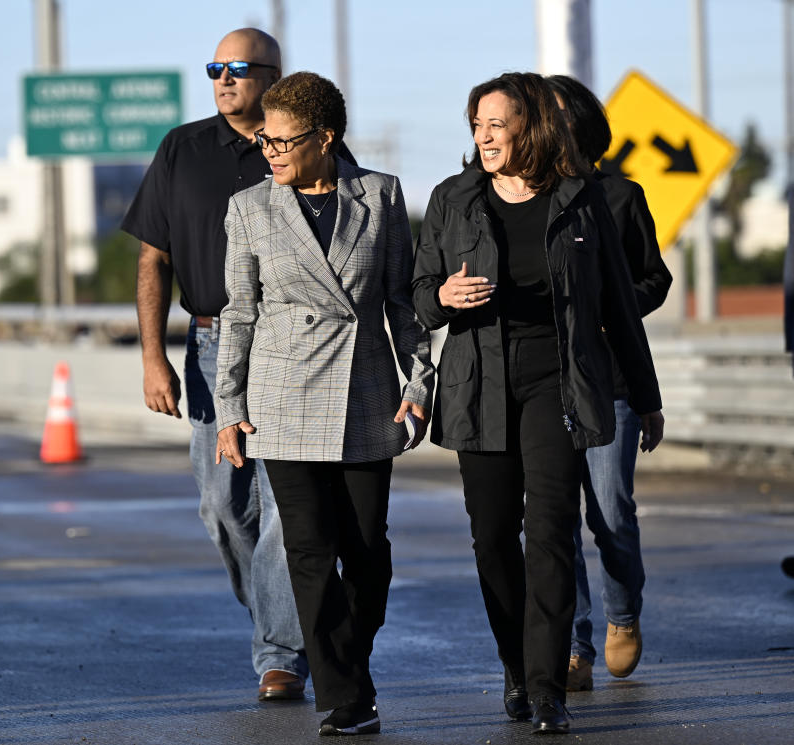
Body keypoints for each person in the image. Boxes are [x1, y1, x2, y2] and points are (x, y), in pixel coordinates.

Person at [412, 72, 665, 735]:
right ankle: (516, 666)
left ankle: (549, 686)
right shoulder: (452, 198)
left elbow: (619, 305)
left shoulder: (579, 203)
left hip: (558, 380)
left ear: (531, 126)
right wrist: (440, 299)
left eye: (497, 123)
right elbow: (416, 292)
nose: (483, 136)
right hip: (477, 382)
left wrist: (644, 396)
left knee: (550, 530)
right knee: (493, 537)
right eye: (476, 124)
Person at [214, 71, 434, 736]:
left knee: (368, 552)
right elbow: (239, 311)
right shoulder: (249, 207)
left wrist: (417, 381)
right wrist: (228, 403)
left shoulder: (381, 195)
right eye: (265, 143)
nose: (271, 153)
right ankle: (342, 694)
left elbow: (402, 299)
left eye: (283, 141)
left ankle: (350, 665)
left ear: (325, 137)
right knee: (309, 552)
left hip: (366, 393)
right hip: (280, 399)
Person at [121, 28, 312, 702]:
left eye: (237, 68)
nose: (223, 79)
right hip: (206, 349)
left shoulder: (304, 147)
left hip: (288, 347)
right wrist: (152, 358)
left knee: (283, 507)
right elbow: (152, 260)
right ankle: (280, 610)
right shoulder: (183, 148)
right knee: (222, 506)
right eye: (214, 68)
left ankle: (280, 653)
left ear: (272, 75)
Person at [546, 74, 672, 693]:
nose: (551, 123)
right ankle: (574, 645)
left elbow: (656, 279)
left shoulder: (621, 196)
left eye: (560, 112)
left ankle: (623, 614)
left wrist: (608, 308)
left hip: (612, 380)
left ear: (584, 123)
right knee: (552, 519)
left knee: (611, 512)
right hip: (543, 383)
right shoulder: (523, 199)